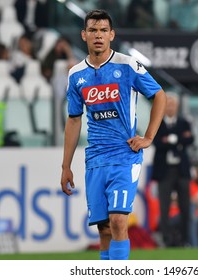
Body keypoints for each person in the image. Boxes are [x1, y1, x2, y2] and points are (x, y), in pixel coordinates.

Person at [60, 9, 166, 260]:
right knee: (104, 229)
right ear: (84, 35)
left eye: (104, 31)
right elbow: (74, 119)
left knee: (118, 220)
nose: (99, 35)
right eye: (94, 30)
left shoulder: (127, 65)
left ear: (112, 35)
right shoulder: (76, 74)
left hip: (124, 155)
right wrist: (65, 166)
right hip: (96, 159)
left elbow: (159, 95)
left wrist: (149, 137)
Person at [151, 92, 194, 247]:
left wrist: (169, 139)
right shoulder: (157, 122)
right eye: (167, 104)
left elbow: (190, 139)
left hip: (181, 170)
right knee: (164, 207)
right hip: (165, 171)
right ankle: (167, 240)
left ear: (177, 107)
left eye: (172, 105)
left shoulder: (184, 122)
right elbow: (157, 142)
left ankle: (185, 240)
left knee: (185, 207)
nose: (170, 107)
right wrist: (176, 140)